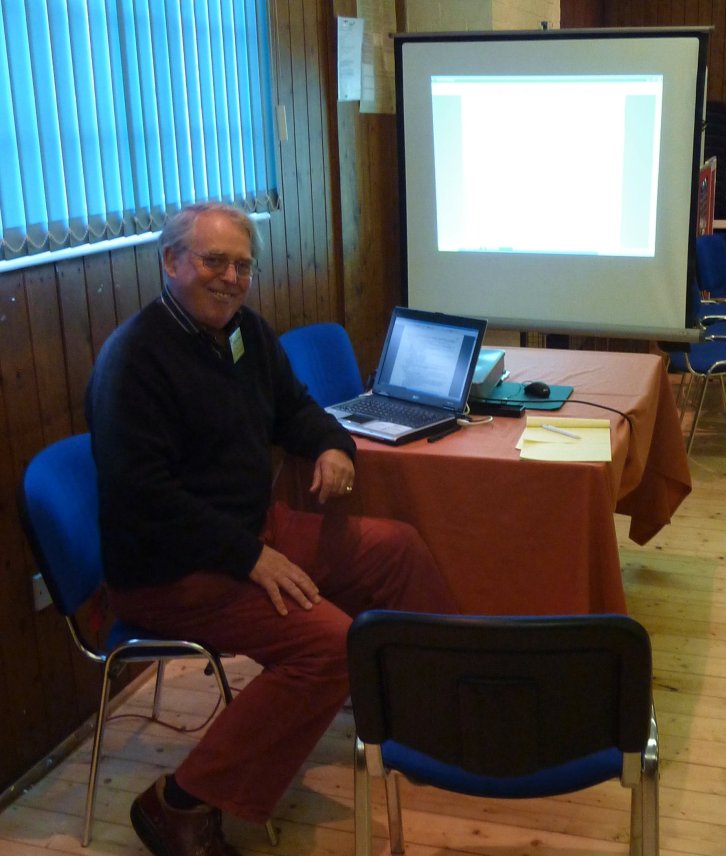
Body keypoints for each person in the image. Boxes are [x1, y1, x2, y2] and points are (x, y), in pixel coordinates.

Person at [86, 202, 458, 856]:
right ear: (171, 262)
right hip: (174, 571)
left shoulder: (244, 332)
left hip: (251, 533)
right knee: (330, 648)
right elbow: (145, 500)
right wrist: (251, 558)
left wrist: (332, 446)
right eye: (214, 261)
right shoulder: (134, 360)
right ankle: (180, 802)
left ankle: (427, 716)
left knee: (396, 549)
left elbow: (296, 409)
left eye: (243, 265)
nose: (231, 277)